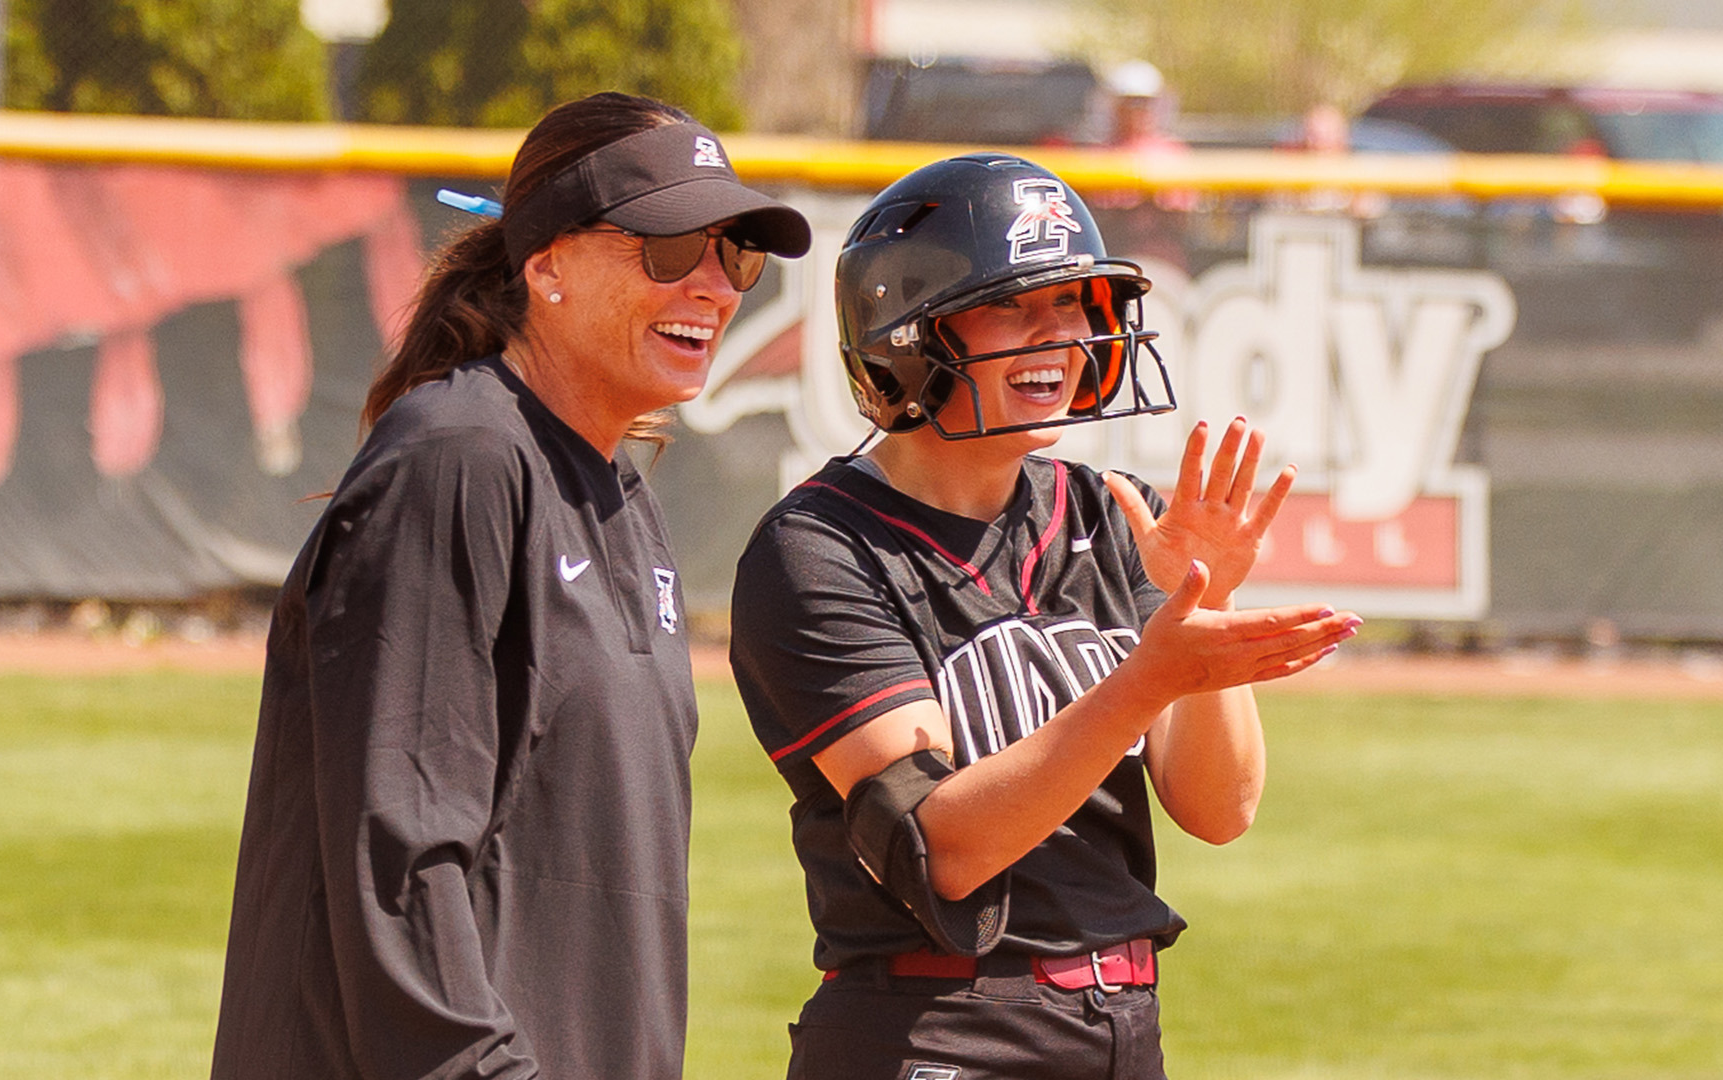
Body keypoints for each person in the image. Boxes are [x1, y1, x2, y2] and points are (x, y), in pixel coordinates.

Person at [211, 91, 810, 1080]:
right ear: (547, 266)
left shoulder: (619, 487)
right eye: (669, 249)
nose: (713, 284)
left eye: (735, 254)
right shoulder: (458, 462)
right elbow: (397, 861)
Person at [729, 154, 1358, 1080]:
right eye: (1014, 306)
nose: (1059, 337)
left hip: (1120, 1023)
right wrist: (1148, 676)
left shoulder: (1113, 515)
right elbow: (943, 846)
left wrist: (1204, 607)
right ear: (913, 333)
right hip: (935, 1028)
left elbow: (1223, 810)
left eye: (1072, 305)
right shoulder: (821, 548)